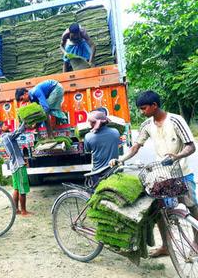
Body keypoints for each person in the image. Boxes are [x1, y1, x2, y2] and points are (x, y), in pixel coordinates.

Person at [109, 90, 198, 258]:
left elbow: (191, 146)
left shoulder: (175, 120)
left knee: (192, 206)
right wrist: (121, 159)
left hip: (182, 172)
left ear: (154, 105)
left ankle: (197, 241)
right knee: (159, 210)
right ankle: (165, 246)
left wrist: (177, 156)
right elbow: (136, 146)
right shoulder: (147, 125)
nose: (142, 112)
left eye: (143, 108)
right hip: (162, 174)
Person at [0, 121, 32, 216]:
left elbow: (16, 131)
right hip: (18, 165)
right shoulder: (7, 136)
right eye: (4, 125)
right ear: (1, 129)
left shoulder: (4, 137)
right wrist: (25, 121)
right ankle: (24, 211)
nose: (6, 125)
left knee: (16, 188)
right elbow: (18, 131)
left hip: (13, 165)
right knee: (22, 188)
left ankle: (16, 210)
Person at [84, 110, 120, 185]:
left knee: (98, 195)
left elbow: (87, 150)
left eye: (90, 121)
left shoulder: (88, 136)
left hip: (98, 173)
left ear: (94, 123)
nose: (89, 123)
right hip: (114, 171)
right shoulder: (116, 132)